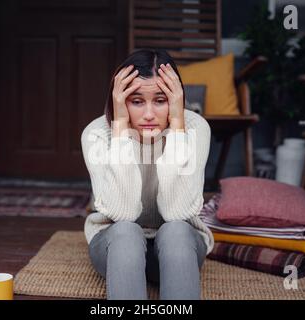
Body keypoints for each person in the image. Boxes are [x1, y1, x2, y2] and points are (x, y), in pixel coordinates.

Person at [81, 48, 214, 300]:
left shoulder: (195, 128)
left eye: (161, 100)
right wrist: (120, 129)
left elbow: (178, 212)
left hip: (178, 249)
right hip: (116, 248)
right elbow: (124, 213)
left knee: (175, 229)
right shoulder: (97, 134)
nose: (149, 114)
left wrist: (177, 128)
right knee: (126, 231)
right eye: (137, 101)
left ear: (176, 100)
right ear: (120, 100)